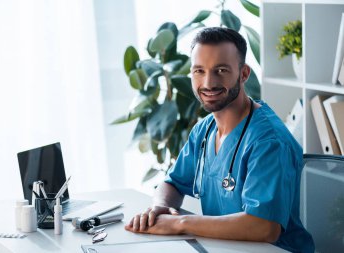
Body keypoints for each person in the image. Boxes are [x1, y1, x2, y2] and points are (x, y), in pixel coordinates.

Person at [124, 27, 314, 253]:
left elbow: (265, 227)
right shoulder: (204, 131)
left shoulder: (268, 141)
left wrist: (179, 223)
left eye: (221, 70)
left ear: (243, 74)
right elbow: (173, 183)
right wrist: (160, 208)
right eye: (199, 71)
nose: (208, 83)